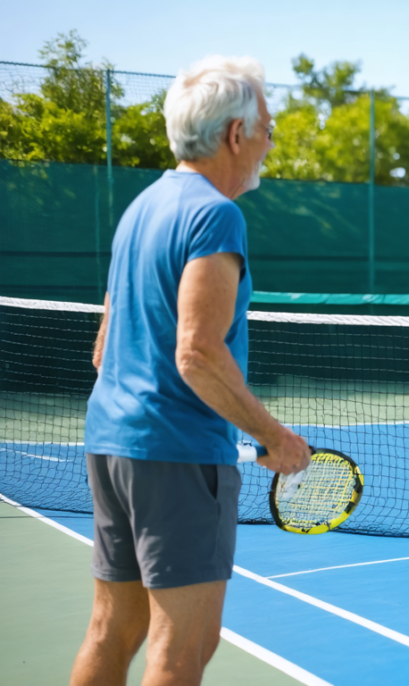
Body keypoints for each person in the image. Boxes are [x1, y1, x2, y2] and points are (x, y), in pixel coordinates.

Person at [72, 56, 310, 686]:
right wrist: (275, 438)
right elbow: (198, 353)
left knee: (109, 630)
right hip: (175, 454)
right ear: (236, 135)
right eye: (267, 126)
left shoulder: (141, 209)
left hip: (110, 443)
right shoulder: (215, 215)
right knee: (184, 647)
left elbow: (103, 349)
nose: (270, 140)